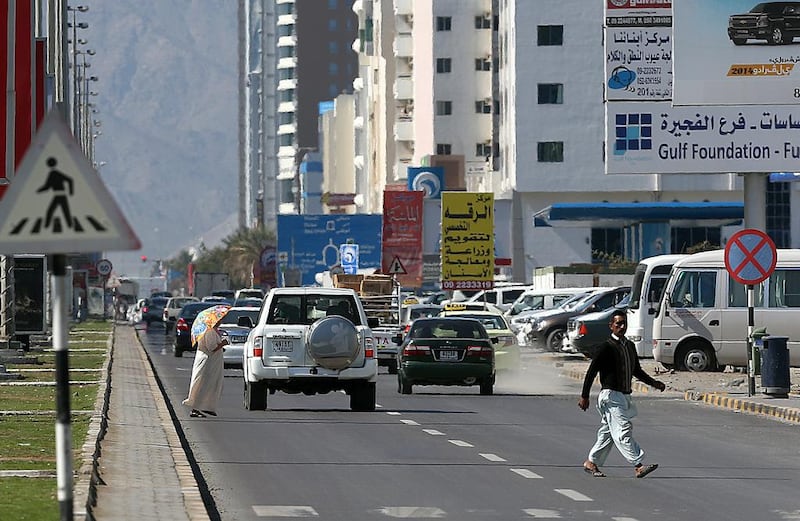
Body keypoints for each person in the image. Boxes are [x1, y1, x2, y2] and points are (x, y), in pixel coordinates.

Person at [578, 309, 666, 478]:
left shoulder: (629, 346)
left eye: (624, 323)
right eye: (618, 323)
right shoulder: (606, 347)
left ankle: (592, 462)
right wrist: (585, 396)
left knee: (609, 432)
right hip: (610, 396)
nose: (622, 326)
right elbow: (591, 372)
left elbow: (637, 371)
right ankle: (638, 465)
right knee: (623, 429)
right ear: (611, 326)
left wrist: (654, 383)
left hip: (624, 396)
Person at [182, 321, 229, 418]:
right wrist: (223, 343)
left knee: (211, 384)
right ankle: (195, 408)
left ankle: (207, 406)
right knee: (203, 383)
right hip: (207, 361)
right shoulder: (209, 331)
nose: (220, 322)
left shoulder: (214, 330)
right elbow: (211, 347)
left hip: (213, 361)